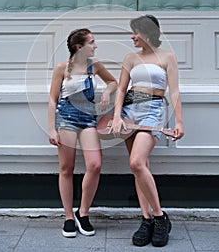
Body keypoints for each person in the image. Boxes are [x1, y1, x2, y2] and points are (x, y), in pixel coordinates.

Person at [110, 15, 184, 247]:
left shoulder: (167, 57)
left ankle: (160, 217)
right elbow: (122, 90)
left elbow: (174, 92)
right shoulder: (130, 58)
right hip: (130, 111)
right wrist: (116, 117)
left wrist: (179, 121)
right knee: (139, 168)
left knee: (136, 162)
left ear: (148, 32)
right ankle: (146, 220)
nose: (132, 37)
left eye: (135, 32)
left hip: (153, 109)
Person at [48, 28, 117, 238]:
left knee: (95, 164)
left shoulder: (94, 66)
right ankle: (68, 216)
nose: (95, 46)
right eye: (92, 42)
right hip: (67, 117)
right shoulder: (62, 68)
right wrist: (52, 128)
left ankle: (83, 212)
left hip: (88, 119)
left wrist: (107, 91)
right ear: (80, 47)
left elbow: (113, 82)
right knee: (66, 168)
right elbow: (53, 99)